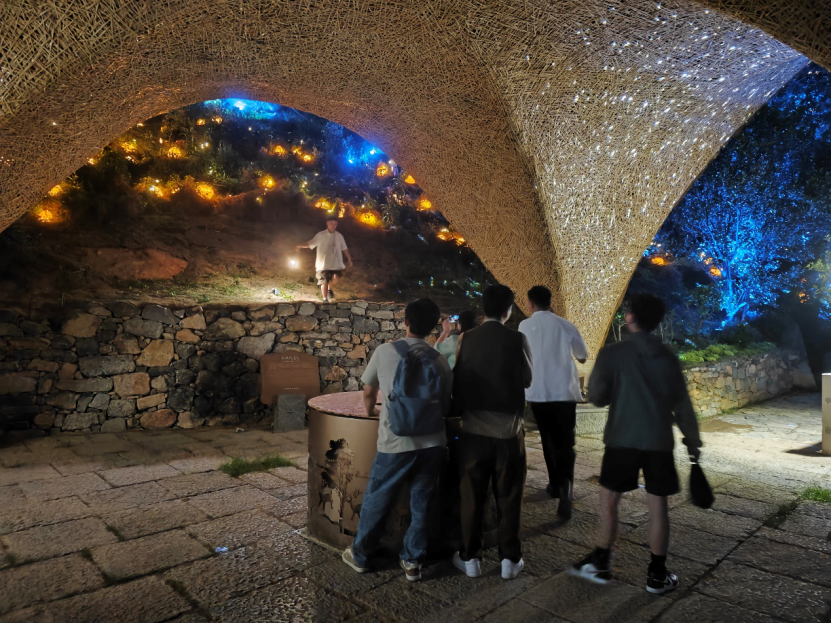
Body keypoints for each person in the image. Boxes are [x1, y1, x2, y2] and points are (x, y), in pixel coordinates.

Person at [571, 293, 702, 595]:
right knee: (658, 507)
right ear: (657, 322)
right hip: (658, 440)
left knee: (609, 499)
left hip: (622, 438)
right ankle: (656, 574)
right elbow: (682, 406)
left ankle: (602, 559)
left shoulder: (613, 353)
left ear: (630, 318)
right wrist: (693, 444)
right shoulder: (668, 356)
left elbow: (599, 397)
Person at [342, 298, 453, 582]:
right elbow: (445, 402)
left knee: (378, 498)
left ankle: (361, 555)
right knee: (423, 503)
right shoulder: (439, 359)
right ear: (432, 328)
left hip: (395, 441)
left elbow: (369, 392)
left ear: (405, 322)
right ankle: (413, 561)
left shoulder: (386, 351)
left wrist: (371, 413)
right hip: (432, 443)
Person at [451, 285, 533, 580]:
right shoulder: (517, 338)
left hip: (472, 430)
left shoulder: (466, 338)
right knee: (510, 496)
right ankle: (510, 560)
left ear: (483, 309)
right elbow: (527, 378)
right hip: (508, 433)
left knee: (471, 495)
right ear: (508, 311)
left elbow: (458, 376)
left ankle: (470, 558)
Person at [518, 285, 587, 519]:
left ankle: (555, 485)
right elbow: (582, 356)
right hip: (564, 392)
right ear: (550, 302)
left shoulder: (524, 326)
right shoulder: (566, 325)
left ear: (530, 303)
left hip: (538, 392)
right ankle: (567, 484)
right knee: (566, 442)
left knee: (548, 440)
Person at [296, 215, 353, 303]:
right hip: (322, 264)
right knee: (324, 281)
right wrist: (299, 245)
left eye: (335, 224)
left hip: (335, 263)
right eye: (331, 223)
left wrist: (349, 259)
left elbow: (344, 248)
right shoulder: (321, 235)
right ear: (327, 224)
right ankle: (325, 299)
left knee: (336, 278)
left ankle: (329, 289)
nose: (333, 225)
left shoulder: (339, 236)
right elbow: (311, 243)